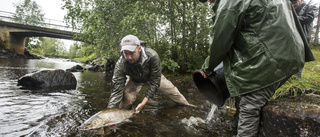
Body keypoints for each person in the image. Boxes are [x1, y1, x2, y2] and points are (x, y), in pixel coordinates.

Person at [198, 0, 315, 137]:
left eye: (209, 0)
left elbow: (221, 38)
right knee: (243, 93)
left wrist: (207, 68)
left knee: (249, 106)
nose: (210, 3)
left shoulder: (229, 3)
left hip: (271, 59)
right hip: (291, 52)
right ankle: (235, 127)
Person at [107, 34, 195, 113]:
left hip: (152, 77)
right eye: (126, 53)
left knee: (173, 92)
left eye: (132, 53)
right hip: (134, 80)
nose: (129, 57)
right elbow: (117, 89)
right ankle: (127, 114)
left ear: (139, 48)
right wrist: (109, 113)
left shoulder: (153, 56)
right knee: (125, 102)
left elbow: (155, 82)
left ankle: (188, 106)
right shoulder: (121, 63)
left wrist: (143, 103)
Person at [291, 0, 317, 78]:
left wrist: (291, 18)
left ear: (301, 0)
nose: (293, 4)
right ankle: (287, 79)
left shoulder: (310, 7)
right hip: (291, 39)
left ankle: (296, 80)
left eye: (295, 2)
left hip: (302, 39)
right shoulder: (289, 9)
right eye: (291, 2)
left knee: (299, 59)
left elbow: (309, 18)